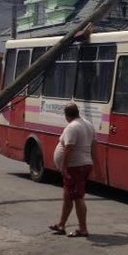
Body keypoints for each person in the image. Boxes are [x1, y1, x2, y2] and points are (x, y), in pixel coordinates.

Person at [49, 102, 95, 238]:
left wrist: (64, 168)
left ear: (66, 115)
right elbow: (94, 145)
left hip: (76, 166)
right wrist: (96, 165)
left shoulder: (72, 127)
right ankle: (61, 225)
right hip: (84, 164)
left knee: (77, 197)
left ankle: (83, 229)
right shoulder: (88, 124)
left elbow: (69, 148)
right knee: (68, 195)